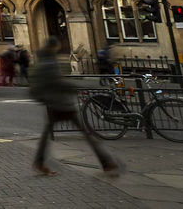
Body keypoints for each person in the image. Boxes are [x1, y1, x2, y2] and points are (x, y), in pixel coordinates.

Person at [29, 36, 119, 176]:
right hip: (60, 104)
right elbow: (58, 82)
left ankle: (39, 162)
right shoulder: (49, 62)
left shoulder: (42, 61)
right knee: (86, 134)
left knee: (47, 136)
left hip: (53, 104)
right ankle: (106, 162)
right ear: (53, 47)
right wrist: (77, 86)